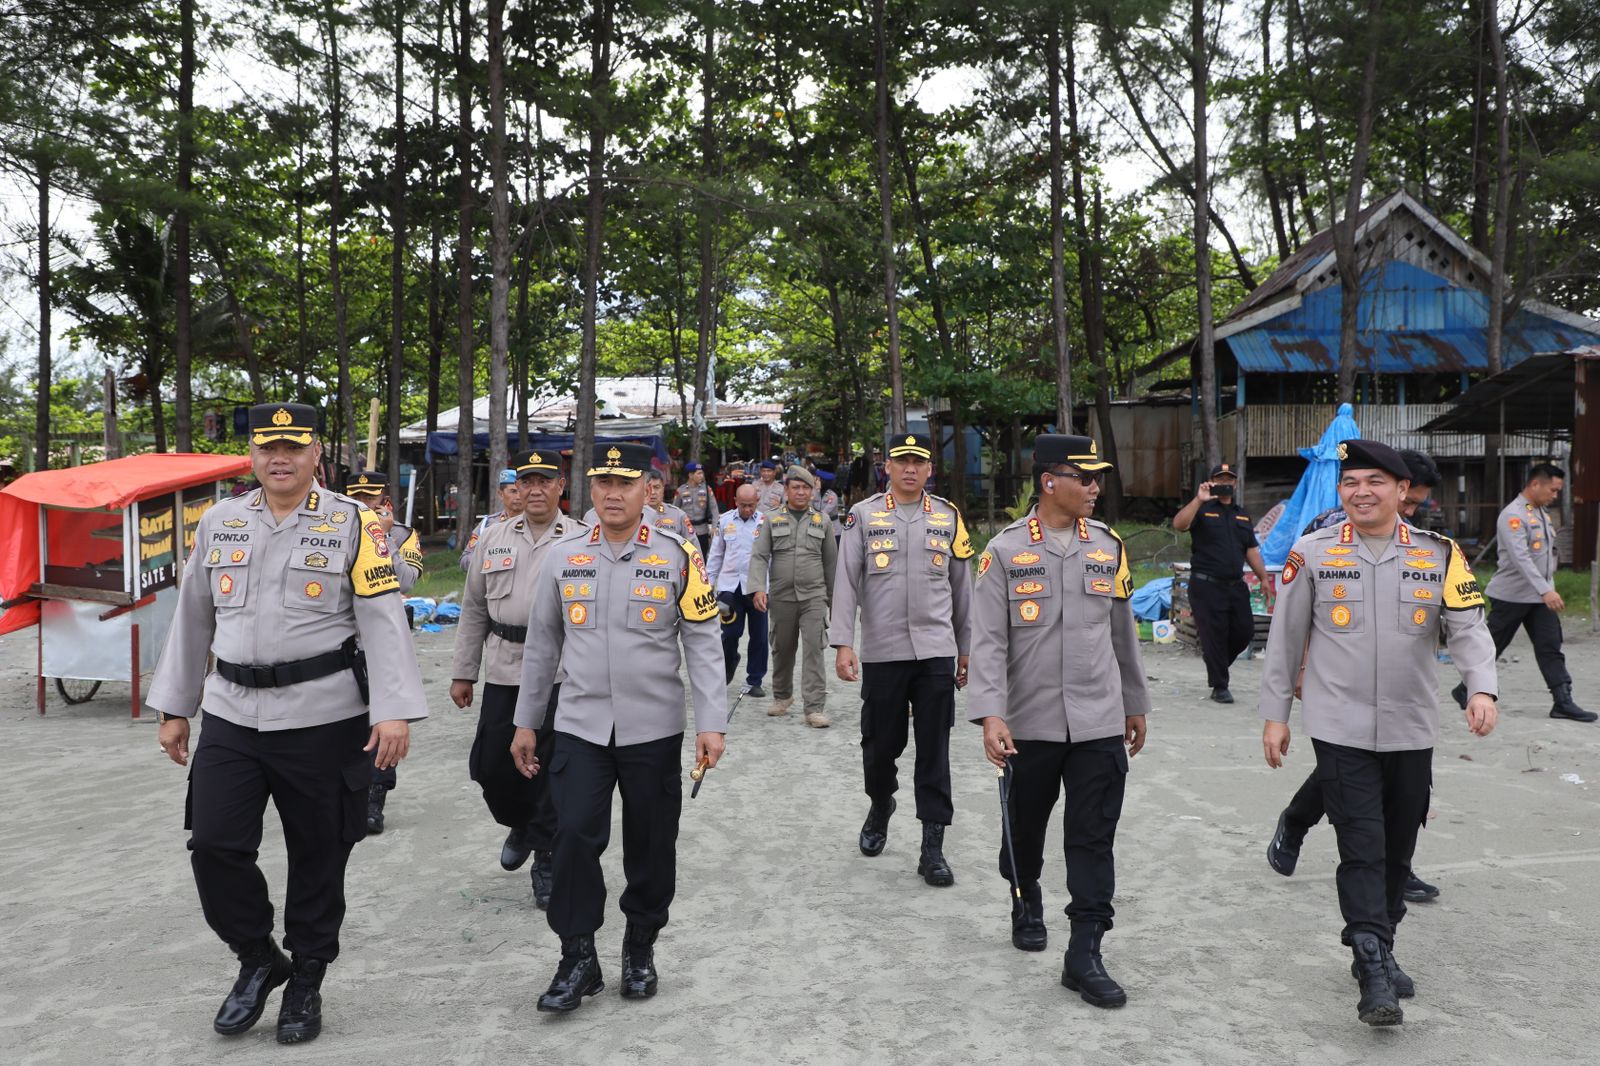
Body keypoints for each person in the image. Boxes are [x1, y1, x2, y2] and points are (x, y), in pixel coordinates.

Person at [148, 402, 428, 1045]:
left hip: (323, 717)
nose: (279, 457)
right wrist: (174, 706)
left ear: (315, 454)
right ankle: (257, 956)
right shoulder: (220, 521)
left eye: (293, 447)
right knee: (215, 845)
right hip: (230, 713)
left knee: (320, 852)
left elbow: (382, 617)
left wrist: (391, 711)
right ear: (252, 454)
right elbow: (193, 617)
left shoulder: (355, 523)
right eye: (267, 446)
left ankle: (305, 974)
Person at [1259, 438, 1498, 1027]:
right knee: (1361, 843)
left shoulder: (1441, 555)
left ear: (1401, 493)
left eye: (1374, 483)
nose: (1360, 492)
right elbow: (1284, 638)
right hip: (1337, 724)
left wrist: (1483, 687)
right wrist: (1275, 716)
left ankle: (1382, 939)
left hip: (1412, 725)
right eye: (1351, 483)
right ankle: (1370, 961)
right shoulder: (1312, 552)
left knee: (1398, 846)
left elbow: (1467, 627)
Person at [511, 441, 726, 1012]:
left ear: (647, 490)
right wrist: (526, 721)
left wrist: (712, 722)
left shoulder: (679, 554)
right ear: (590, 489)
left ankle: (640, 945)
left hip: (653, 727)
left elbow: (703, 641)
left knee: (652, 842)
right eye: (602, 482)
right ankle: (578, 956)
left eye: (624, 483)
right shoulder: (565, 555)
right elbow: (541, 647)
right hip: (580, 724)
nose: (611, 493)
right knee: (575, 833)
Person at [968, 434, 1148, 1007]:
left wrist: (1134, 702)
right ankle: (1025, 896)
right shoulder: (1002, 551)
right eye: (1085, 477)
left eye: (1099, 479)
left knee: (1093, 836)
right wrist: (991, 712)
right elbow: (989, 642)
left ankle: (1085, 951)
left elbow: (1123, 634)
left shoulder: (1108, 547)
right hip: (1030, 721)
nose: (1096, 488)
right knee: (1023, 827)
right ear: (1050, 481)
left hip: (1098, 719)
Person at [1273, 448, 1448, 903]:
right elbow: (1306, 613)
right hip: (1339, 689)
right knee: (1343, 775)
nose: (1408, 512)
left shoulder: (1429, 544)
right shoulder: (1324, 534)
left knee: (1395, 795)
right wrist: (1305, 667)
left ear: (1404, 490)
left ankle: (1395, 868)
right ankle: (1298, 822)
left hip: (1401, 704)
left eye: (1413, 504)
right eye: (1354, 482)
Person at [829, 432, 974, 886]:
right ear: (886, 467)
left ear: (930, 469)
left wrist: (967, 648)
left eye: (918, 462)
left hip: (935, 651)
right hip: (884, 651)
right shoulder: (863, 516)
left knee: (935, 750)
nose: (910, 468)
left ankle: (932, 848)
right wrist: (843, 643)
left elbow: (963, 589)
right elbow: (846, 582)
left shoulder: (948, 518)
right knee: (879, 746)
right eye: (901, 461)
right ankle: (881, 802)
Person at [451, 450, 584, 909]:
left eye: (544, 481)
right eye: (526, 481)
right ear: (515, 487)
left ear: (559, 485)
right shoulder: (494, 539)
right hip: (505, 668)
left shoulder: (581, 539)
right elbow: (472, 609)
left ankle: (546, 857)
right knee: (492, 767)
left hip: (561, 673)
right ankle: (522, 823)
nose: (534, 489)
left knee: (551, 771)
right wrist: (464, 672)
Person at [1472, 463, 1592, 722]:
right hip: (1512, 596)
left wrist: (1548, 590)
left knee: (1550, 647)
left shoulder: (1540, 513)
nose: (1555, 496)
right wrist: (1546, 590)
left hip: (1538, 598)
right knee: (1492, 646)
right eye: (1553, 490)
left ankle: (1563, 701)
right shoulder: (1513, 515)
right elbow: (1521, 558)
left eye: (1558, 491)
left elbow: (1546, 558)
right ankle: (1466, 689)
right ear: (1535, 484)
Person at [343, 471, 426, 834]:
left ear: (384, 499)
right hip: (342, 645)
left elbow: (407, 580)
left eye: (370, 496)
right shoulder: (333, 529)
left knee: (384, 722)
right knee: (346, 729)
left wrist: (383, 538)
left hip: (379, 644)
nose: (364, 502)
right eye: (357, 495)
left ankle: (375, 796)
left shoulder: (405, 534)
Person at [1171, 462, 1270, 703]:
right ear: (1212, 481)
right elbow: (1179, 524)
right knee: (1213, 635)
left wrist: (1264, 577)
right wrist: (1198, 499)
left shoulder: (1242, 513)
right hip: (1206, 585)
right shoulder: (1202, 509)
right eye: (1220, 479)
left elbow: (1251, 549)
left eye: (1229, 479)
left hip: (1235, 585)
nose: (1225, 483)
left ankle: (1217, 664)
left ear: (1235, 483)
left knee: (1244, 631)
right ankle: (1220, 686)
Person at [749, 465, 838, 727]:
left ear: (812, 491)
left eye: (805, 488)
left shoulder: (823, 522)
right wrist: (757, 588)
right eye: (796, 487)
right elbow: (759, 555)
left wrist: (835, 601)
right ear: (786, 490)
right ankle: (782, 695)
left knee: (814, 650)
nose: (801, 492)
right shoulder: (771, 518)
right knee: (782, 647)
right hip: (782, 595)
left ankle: (814, 708)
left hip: (814, 596)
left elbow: (831, 564)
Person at [705, 483, 769, 695]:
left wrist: (772, 586)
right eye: (743, 505)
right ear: (736, 502)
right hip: (729, 588)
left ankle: (754, 680)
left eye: (751, 505)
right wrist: (708, 584)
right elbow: (716, 555)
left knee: (759, 636)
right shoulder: (724, 521)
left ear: (757, 502)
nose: (747, 510)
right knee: (729, 634)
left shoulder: (765, 522)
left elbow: (773, 557)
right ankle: (729, 663)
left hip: (757, 587)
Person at [585, 468, 692, 541]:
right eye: (604, 482)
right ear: (591, 491)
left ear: (646, 492)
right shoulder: (570, 548)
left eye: (626, 483)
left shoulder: (674, 549)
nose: (613, 495)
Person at [460, 469, 524, 572]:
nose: (518, 497)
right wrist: (490, 557)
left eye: (521, 491)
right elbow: (464, 560)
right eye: (513, 491)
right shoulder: (488, 524)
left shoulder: (534, 523)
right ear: (500, 494)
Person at [674, 460, 720, 554]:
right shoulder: (681, 491)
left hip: (702, 530)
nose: (701, 476)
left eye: (702, 473)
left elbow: (714, 509)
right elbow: (675, 511)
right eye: (698, 473)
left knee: (702, 557)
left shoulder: (707, 489)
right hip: (686, 530)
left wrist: (714, 527)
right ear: (690, 475)